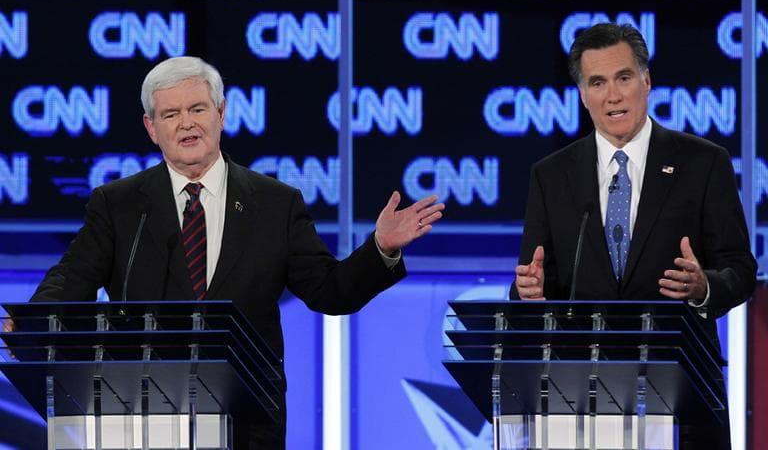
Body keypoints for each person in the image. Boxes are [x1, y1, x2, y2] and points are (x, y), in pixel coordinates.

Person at [28, 56, 445, 448]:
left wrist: (380, 248)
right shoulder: (119, 205)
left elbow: (329, 291)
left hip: (248, 422)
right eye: (170, 115)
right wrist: (35, 320)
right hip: (143, 414)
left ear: (221, 114)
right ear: (151, 127)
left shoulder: (275, 203)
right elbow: (73, 278)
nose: (187, 124)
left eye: (198, 109)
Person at [512, 23, 756, 449]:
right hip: (581, 398)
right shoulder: (552, 176)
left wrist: (703, 288)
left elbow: (740, 270)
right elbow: (533, 281)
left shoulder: (703, 163)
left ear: (646, 81)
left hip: (684, 395)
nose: (613, 95)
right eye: (597, 83)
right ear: (584, 96)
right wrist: (527, 294)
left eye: (624, 78)